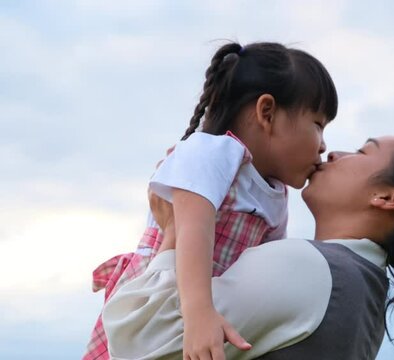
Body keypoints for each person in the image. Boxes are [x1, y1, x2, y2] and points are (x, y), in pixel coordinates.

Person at [103, 135, 394, 360]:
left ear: (389, 198)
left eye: (363, 152)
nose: (335, 152)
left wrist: (174, 233)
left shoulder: (311, 270)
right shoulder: (362, 291)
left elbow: (137, 345)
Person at [84, 41, 338, 360]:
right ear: (267, 112)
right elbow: (193, 229)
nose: (323, 145)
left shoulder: (276, 195)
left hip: (208, 311)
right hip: (163, 296)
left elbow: (264, 267)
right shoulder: (213, 152)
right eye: (317, 124)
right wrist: (199, 313)